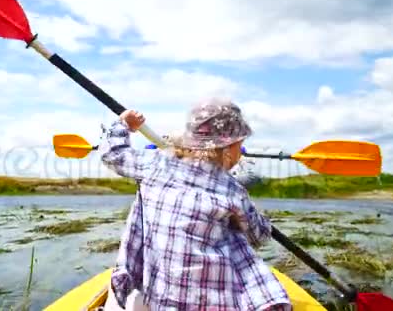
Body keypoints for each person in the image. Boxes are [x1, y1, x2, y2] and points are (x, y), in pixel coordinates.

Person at [100, 96, 291, 310]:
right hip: (216, 302)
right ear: (228, 149)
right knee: (236, 239)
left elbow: (112, 153)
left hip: (160, 299)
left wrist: (123, 123)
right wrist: (257, 218)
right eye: (240, 145)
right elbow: (259, 236)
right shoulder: (233, 190)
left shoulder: (153, 163)